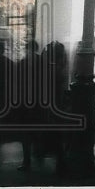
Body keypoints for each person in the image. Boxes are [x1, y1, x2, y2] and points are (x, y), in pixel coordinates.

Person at [39, 41, 70, 175]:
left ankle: (57, 158)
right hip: (58, 103)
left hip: (50, 104)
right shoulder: (59, 69)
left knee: (53, 131)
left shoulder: (49, 70)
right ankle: (61, 159)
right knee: (58, 132)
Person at [16, 39, 40, 171]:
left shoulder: (22, 64)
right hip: (40, 103)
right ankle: (37, 152)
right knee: (38, 130)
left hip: (26, 103)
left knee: (26, 133)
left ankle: (26, 160)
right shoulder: (43, 62)